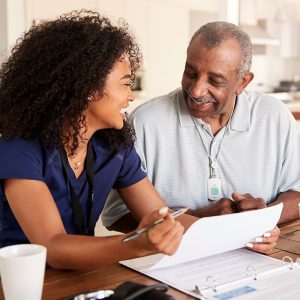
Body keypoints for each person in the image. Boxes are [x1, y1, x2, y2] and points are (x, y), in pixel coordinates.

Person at [0, 10, 193, 270]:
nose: (131, 96)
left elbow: (163, 217)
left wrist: (246, 232)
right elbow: (53, 246)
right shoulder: (18, 148)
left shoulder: (114, 147)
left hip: (82, 278)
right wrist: (136, 244)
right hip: (17, 282)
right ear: (89, 89)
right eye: (126, 83)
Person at [102, 21, 300, 248]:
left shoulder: (275, 116)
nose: (196, 90)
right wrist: (198, 221)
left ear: (243, 82)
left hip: (256, 259)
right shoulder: (146, 121)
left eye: (215, 80)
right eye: (190, 72)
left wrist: (261, 221)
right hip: (170, 263)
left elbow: (297, 193)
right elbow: (116, 215)